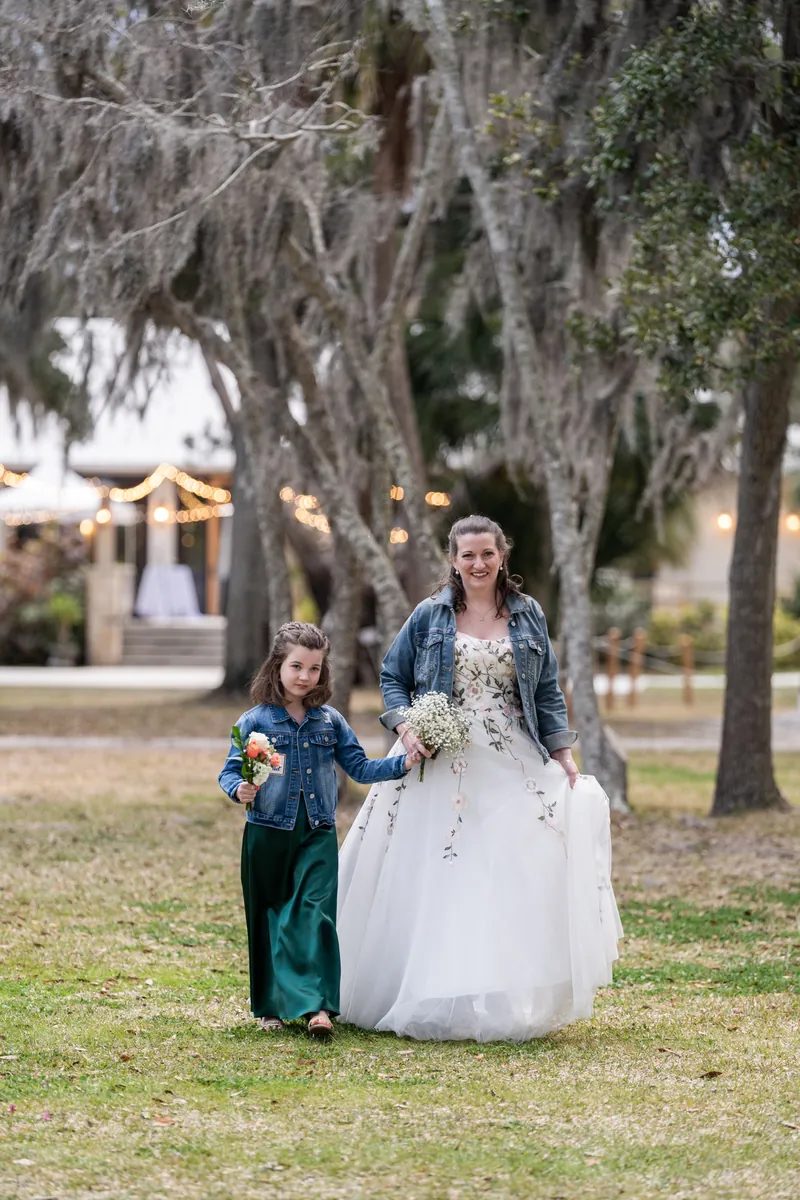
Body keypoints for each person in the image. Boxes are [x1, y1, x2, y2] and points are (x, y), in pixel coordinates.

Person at [337, 516, 622, 1042]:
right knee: (443, 868)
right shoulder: (430, 615)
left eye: (487, 554)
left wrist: (563, 753)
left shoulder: (528, 613)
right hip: (440, 757)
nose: (478, 564)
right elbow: (393, 676)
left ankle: (501, 992)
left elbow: (547, 693)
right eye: (467, 555)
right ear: (453, 559)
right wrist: (405, 726)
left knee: (514, 864)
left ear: (502, 554)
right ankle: (425, 986)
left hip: (511, 757)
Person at [218, 621, 417, 1038]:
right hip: (267, 832)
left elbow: (360, 768)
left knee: (314, 913)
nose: (305, 677)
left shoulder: (329, 721)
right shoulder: (255, 720)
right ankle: (271, 1006)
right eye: (297, 667)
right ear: (277, 667)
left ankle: (317, 1008)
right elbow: (230, 771)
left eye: (314, 669)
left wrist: (404, 762)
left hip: (317, 834)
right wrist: (240, 788)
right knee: (269, 915)